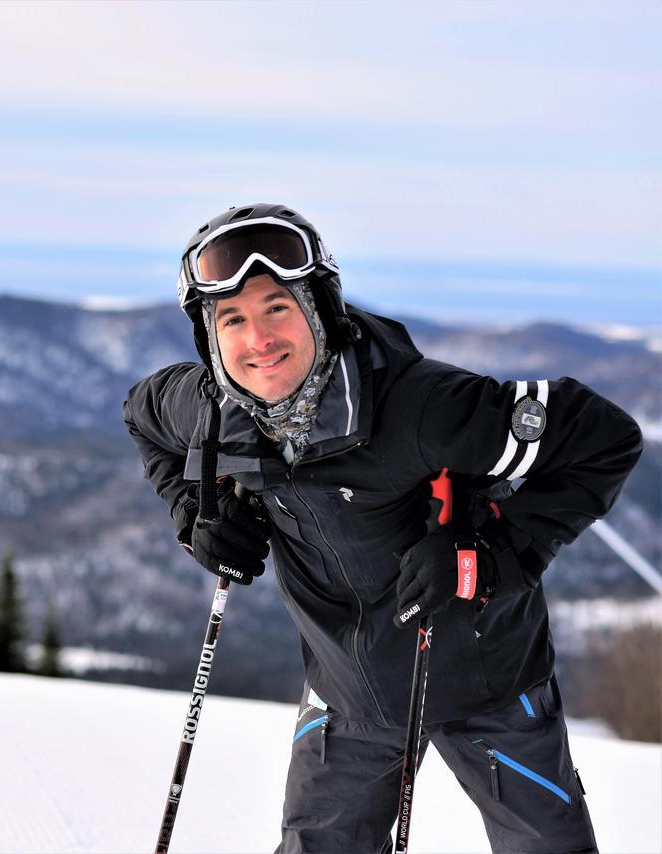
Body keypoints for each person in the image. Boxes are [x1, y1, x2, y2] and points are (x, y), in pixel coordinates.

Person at [123, 203, 642, 854]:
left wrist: (488, 553)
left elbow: (604, 437)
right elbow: (142, 420)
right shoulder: (207, 412)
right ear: (209, 338)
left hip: (492, 685)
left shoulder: (423, 410)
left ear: (319, 308)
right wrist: (195, 513)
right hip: (349, 692)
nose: (257, 339)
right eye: (232, 319)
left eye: (277, 307)